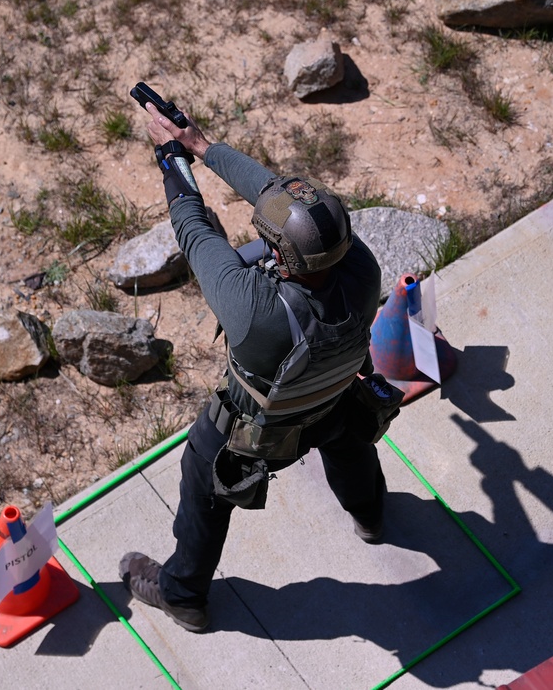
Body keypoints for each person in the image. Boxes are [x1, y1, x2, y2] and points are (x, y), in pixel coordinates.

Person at [119, 101, 388, 633]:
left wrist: (172, 160)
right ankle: (371, 514)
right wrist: (203, 145)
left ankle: (183, 593)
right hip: (333, 400)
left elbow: (195, 230)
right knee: (345, 438)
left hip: (256, 429)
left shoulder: (255, 312)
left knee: (203, 472)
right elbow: (284, 199)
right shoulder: (359, 265)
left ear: (281, 261)